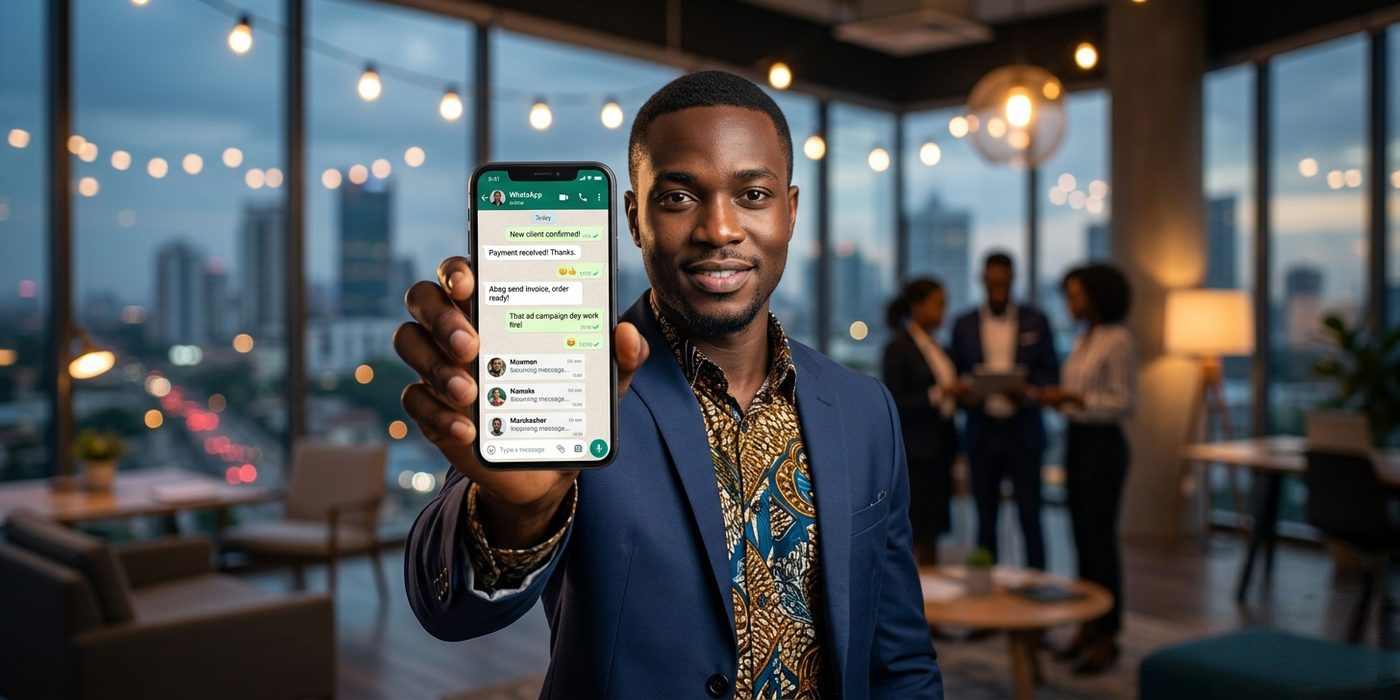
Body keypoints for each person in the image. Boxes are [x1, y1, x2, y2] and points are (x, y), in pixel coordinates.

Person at [397, 70, 942, 698]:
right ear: (634, 217)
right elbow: (449, 607)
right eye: (679, 197)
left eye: (753, 195)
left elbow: (898, 659)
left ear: (790, 212)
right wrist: (518, 513)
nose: (719, 229)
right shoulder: (576, 385)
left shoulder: (865, 409)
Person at [1041, 263, 1136, 674]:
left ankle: (1108, 634)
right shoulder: (1084, 339)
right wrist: (1063, 399)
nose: (1070, 302)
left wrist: (1076, 401)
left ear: (1097, 296)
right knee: (1081, 538)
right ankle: (1088, 624)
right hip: (1079, 443)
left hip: (1104, 445)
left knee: (1100, 540)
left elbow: (1124, 403)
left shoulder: (1118, 340)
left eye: (1076, 294)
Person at [949, 252, 1059, 570]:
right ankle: (988, 600)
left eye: (1003, 282)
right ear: (982, 281)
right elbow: (954, 373)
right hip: (982, 430)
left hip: (1023, 429)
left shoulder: (1036, 320)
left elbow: (1050, 371)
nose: (997, 288)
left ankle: (1037, 592)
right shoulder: (965, 324)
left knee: (1031, 516)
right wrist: (967, 392)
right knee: (985, 517)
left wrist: (1029, 390)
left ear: (1013, 280)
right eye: (992, 282)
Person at [881, 278, 964, 566]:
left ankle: (931, 595)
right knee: (916, 529)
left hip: (939, 449)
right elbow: (895, 400)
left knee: (933, 529)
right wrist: (940, 393)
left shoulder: (935, 345)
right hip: (916, 451)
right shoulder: (899, 347)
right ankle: (915, 598)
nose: (944, 311)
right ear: (917, 306)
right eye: (938, 304)